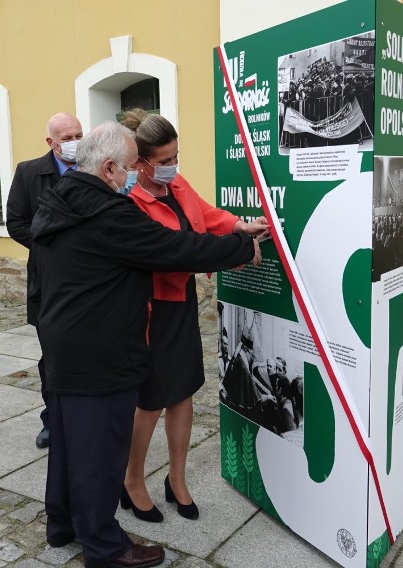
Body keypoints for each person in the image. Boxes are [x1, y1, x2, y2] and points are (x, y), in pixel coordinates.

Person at [32, 121, 259, 567]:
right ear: (111, 167)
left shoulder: (60, 198)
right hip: (101, 349)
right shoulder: (109, 212)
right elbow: (173, 249)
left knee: (67, 442)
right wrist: (238, 249)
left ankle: (62, 525)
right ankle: (105, 545)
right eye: (131, 165)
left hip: (62, 340)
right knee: (100, 449)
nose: (135, 173)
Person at [120, 109, 269, 522]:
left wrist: (240, 226)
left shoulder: (176, 182)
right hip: (149, 310)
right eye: (164, 161)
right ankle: (132, 480)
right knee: (150, 401)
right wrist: (234, 252)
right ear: (139, 164)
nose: (173, 167)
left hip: (180, 301)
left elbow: (204, 214)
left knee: (182, 392)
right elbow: (175, 251)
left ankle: (177, 480)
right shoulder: (129, 201)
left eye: (175, 157)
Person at [6, 112, 83, 449]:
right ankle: (52, 420)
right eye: (67, 137)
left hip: (90, 280)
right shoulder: (29, 172)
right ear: (51, 143)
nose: (74, 142)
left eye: (79, 134)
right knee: (52, 355)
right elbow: (16, 222)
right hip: (48, 280)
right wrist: (53, 246)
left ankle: (84, 416)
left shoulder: (97, 167)